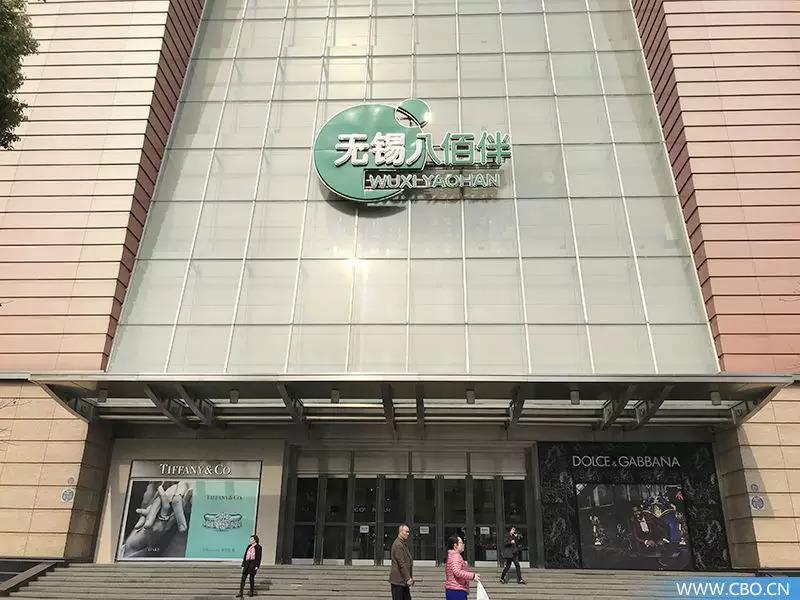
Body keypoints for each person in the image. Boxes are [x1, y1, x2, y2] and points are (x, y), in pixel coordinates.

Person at [445, 535, 480, 600]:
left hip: (453, 589)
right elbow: (457, 571)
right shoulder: (455, 556)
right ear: (455, 545)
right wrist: (472, 576)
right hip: (456, 590)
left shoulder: (452, 555)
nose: (463, 545)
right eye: (461, 543)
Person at [389, 524, 414, 600]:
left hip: (402, 581)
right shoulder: (398, 545)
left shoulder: (402, 544)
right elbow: (401, 563)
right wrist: (408, 578)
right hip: (398, 581)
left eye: (408, 532)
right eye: (406, 532)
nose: (408, 534)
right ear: (400, 532)